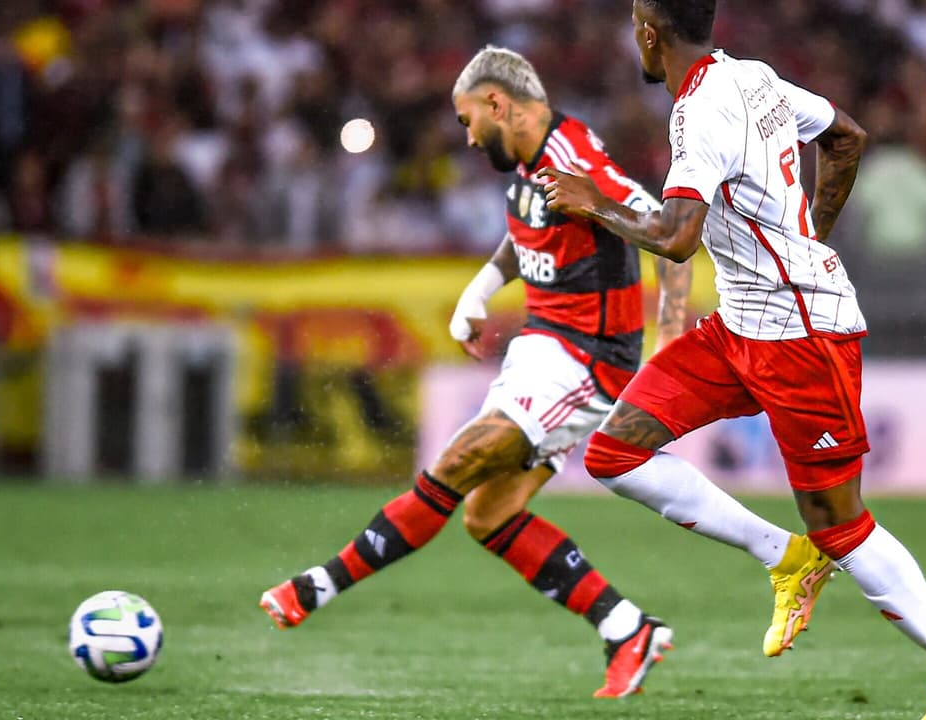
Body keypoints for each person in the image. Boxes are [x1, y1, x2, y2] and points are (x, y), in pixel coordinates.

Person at [539, 2, 926, 718]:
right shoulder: (752, 78)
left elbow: (676, 236)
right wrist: (808, 239)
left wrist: (591, 201)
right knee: (613, 453)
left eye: (634, 19)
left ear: (650, 34)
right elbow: (846, 137)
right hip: (740, 329)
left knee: (840, 523)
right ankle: (785, 558)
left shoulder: (698, 116)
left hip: (802, 340)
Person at [260, 46, 694, 698]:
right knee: (489, 515)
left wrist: (672, 332)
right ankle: (626, 627)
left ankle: (319, 585)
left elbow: (671, 230)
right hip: (542, 348)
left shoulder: (574, 159)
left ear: (498, 103)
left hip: (585, 359)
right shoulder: (527, 160)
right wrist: (482, 286)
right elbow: (531, 229)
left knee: (459, 461)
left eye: (468, 120)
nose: (465, 136)